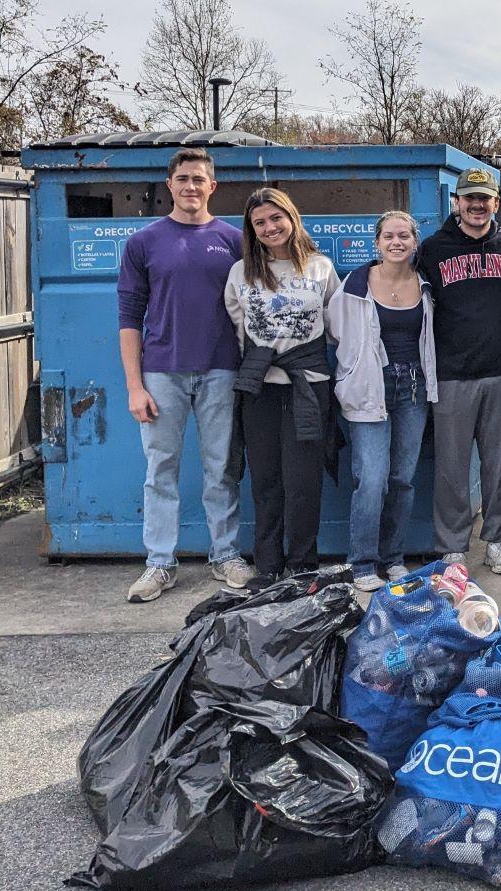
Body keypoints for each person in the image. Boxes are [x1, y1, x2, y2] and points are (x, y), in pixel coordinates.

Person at [117, 148, 256, 603]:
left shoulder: (235, 241)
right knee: (161, 470)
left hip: (221, 370)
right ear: (169, 185)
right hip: (162, 375)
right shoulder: (144, 243)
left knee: (222, 469)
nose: (191, 186)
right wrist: (135, 386)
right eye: (183, 178)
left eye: (199, 179)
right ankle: (159, 564)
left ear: (212, 187)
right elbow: (129, 317)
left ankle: (225, 555)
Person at [224, 188, 339, 582]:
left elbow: (336, 325)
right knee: (266, 480)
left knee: (304, 481)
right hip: (261, 388)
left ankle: (303, 565)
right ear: (252, 230)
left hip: (308, 385)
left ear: (291, 218)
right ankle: (268, 565)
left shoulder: (321, 268)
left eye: (277, 218)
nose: (270, 227)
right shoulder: (241, 273)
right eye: (260, 223)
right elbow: (239, 329)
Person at [416, 169, 501, 576]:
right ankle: (453, 547)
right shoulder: (433, 249)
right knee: (451, 467)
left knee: (498, 464)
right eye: (469, 198)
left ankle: (497, 542)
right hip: (451, 373)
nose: (477, 205)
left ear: (497, 203)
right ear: (456, 203)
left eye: (485, 198)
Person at [327, 211, 438, 593]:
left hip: (412, 388)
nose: (396, 242)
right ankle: (362, 562)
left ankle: (392, 559)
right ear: (377, 243)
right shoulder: (355, 285)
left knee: (402, 479)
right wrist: (358, 369)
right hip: (369, 389)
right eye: (389, 236)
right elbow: (336, 333)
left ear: (414, 242)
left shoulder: (425, 286)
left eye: (404, 236)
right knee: (371, 479)